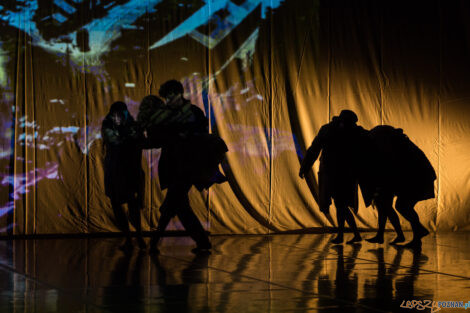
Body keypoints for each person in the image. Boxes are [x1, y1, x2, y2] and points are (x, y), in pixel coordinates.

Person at [137, 80, 228, 254]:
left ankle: (155, 243)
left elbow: (199, 135)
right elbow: (159, 139)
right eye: (167, 97)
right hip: (173, 165)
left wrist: (182, 135)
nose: (169, 100)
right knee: (178, 205)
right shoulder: (166, 115)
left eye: (171, 96)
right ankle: (202, 242)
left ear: (179, 94)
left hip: (188, 166)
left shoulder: (193, 112)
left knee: (173, 202)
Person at [299, 110, 366, 244]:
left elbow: (314, 149)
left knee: (341, 204)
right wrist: (305, 167)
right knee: (341, 204)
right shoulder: (330, 130)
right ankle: (352, 234)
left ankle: (345, 235)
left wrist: (305, 167)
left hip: (343, 173)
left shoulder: (352, 131)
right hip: (333, 173)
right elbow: (314, 149)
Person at [365, 126, 434, 248]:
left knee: (402, 205)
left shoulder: (395, 148)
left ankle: (418, 233)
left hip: (418, 178)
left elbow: (393, 167)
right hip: (418, 177)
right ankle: (418, 236)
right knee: (401, 205)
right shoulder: (401, 145)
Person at [102, 101, 146, 250]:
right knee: (119, 203)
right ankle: (130, 237)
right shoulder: (109, 125)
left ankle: (137, 237)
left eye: (121, 114)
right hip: (117, 170)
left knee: (132, 203)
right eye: (116, 114)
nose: (118, 117)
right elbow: (114, 140)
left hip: (129, 170)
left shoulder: (132, 126)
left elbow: (140, 141)